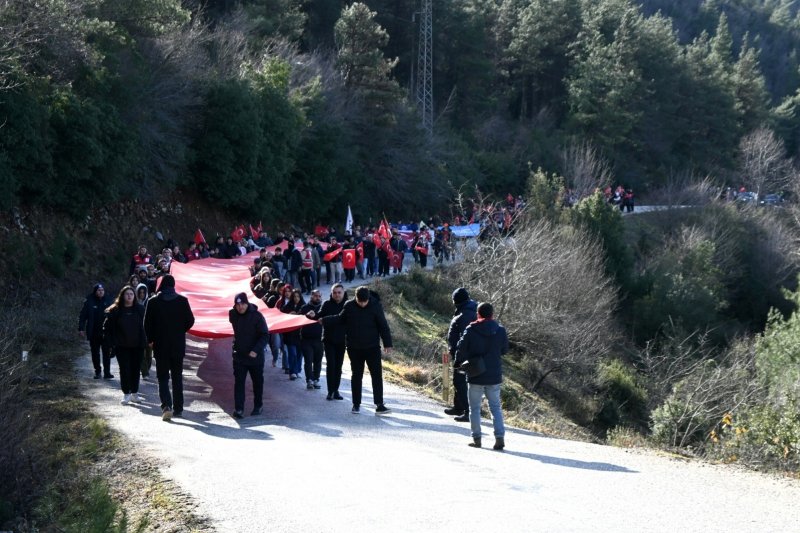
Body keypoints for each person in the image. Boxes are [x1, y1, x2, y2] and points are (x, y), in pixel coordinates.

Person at [320, 286, 392, 415]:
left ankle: (379, 405)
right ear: (356, 298)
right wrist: (325, 320)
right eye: (360, 301)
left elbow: (383, 325)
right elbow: (339, 318)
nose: (363, 304)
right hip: (354, 348)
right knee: (356, 376)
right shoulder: (349, 306)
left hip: (372, 348)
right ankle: (356, 405)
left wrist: (388, 344)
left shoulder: (375, 306)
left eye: (365, 302)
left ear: (368, 298)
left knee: (376, 376)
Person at [455, 302, 509, 450]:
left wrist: (458, 362)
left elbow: (461, 349)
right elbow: (504, 350)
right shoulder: (500, 330)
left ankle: (477, 439)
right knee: (495, 408)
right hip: (494, 376)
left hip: (475, 374)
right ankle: (499, 438)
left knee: (474, 408)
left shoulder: (471, 329)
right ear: (492, 314)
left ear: (478, 314)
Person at [144, 275, 195, 421]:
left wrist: (150, 340)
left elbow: (146, 324)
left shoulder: (153, 302)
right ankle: (178, 408)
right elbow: (190, 321)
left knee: (162, 377)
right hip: (177, 344)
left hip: (160, 345)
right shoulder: (182, 301)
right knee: (177, 377)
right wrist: (180, 330)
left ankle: (166, 406)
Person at [103, 286, 147, 405]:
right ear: (122, 296)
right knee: (124, 369)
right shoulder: (115, 310)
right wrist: (111, 343)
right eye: (127, 294)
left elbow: (147, 326)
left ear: (134, 296)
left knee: (135, 369)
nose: (129, 296)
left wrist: (147, 341)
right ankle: (126, 393)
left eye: (131, 294)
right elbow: (106, 328)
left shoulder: (140, 309)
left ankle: (134, 393)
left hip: (137, 345)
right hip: (121, 346)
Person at [229, 292, 270, 419]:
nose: (240, 307)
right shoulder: (233, 314)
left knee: (257, 382)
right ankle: (239, 409)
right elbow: (232, 313)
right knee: (239, 383)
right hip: (240, 356)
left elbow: (265, 335)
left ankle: (258, 405)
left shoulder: (257, 316)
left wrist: (256, 350)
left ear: (247, 304)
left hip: (254, 357)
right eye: (237, 304)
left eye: (243, 304)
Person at [444, 288, 478, 422]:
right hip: (463, 353)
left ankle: (467, 411)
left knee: (460, 382)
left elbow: (464, 338)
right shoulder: (468, 310)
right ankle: (458, 407)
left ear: (456, 301)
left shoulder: (466, 314)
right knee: (459, 381)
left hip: (464, 355)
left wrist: (458, 354)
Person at [314, 284, 347, 400]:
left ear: (343, 293)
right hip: (328, 339)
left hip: (342, 340)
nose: (337, 295)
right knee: (331, 365)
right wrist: (313, 315)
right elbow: (319, 316)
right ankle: (330, 391)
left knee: (338, 366)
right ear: (331, 293)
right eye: (335, 292)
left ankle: (336, 390)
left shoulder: (347, 305)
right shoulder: (327, 304)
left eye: (339, 292)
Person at [79, 283, 114, 379]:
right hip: (93, 331)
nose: (101, 292)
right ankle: (97, 371)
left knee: (106, 352)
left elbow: (114, 316)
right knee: (95, 353)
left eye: (102, 290)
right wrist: (81, 328)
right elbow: (82, 316)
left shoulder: (108, 300)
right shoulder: (89, 301)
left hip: (106, 332)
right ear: (95, 291)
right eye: (99, 290)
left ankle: (107, 372)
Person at [299, 289, 324, 390]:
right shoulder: (305, 308)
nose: (317, 298)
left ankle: (316, 379)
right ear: (311, 296)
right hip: (306, 339)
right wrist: (306, 316)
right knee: (308, 360)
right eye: (315, 296)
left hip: (319, 339)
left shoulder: (323, 308)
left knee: (318, 361)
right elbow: (298, 320)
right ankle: (309, 379)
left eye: (319, 296)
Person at [281, 288, 305, 380]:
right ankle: (292, 372)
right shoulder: (287, 306)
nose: (296, 298)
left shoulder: (304, 306)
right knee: (292, 353)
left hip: (300, 334)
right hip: (290, 334)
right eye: (294, 296)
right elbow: (281, 315)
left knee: (299, 353)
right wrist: (289, 315)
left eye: (298, 296)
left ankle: (297, 370)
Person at [135, 283, 154, 379]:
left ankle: (146, 369)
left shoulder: (150, 303)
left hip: (148, 332)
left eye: (143, 292)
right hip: (138, 332)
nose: (142, 294)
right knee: (141, 354)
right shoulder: (134, 303)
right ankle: (145, 372)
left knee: (149, 355)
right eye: (140, 292)